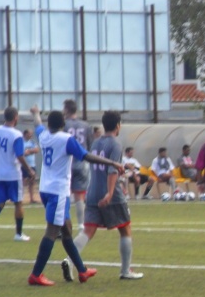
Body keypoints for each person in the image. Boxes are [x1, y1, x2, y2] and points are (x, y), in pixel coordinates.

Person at [27, 105, 124, 286]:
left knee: (66, 230)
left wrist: (36, 113)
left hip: (46, 189)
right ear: (63, 124)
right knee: (52, 231)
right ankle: (36, 274)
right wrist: (112, 162)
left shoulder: (43, 135)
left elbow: (37, 124)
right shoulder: (66, 139)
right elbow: (87, 156)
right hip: (57, 191)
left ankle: (82, 270)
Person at [61, 111, 144, 282]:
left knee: (88, 230)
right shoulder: (116, 144)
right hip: (110, 194)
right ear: (118, 125)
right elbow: (112, 171)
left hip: (92, 192)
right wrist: (110, 193)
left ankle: (69, 260)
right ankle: (125, 270)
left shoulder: (96, 142)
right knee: (125, 229)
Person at [0, 106, 35, 243]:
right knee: (18, 203)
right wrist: (29, 170)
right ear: (15, 117)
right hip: (12, 174)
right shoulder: (16, 134)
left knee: (0, 202)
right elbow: (19, 155)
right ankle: (18, 234)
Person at [63, 99, 94, 231]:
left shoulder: (64, 125)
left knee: (64, 194)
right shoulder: (86, 125)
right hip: (82, 163)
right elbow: (90, 145)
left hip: (67, 163)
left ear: (66, 109)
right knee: (80, 196)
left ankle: (63, 224)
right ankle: (81, 225)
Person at [22, 129, 40, 204]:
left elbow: (37, 150)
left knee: (32, 181)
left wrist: (29, 151)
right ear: (25, 134)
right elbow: (21, 153)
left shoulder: (32, 142)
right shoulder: (21, 142)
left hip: (32, 164)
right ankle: (19, 198)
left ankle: (32, 199)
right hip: (23, 165)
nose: (31, 135)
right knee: (22, 181)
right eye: (29, 134)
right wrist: (26, 153)